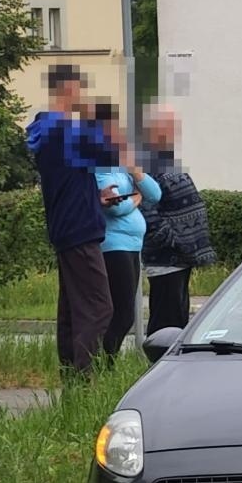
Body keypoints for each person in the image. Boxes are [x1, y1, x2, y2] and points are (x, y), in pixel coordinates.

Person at [25, 65, 118, 377]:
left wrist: (94, 195)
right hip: (80, 230)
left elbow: (70, 179)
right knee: (99, 307)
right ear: (69, 89)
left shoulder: (49, 132)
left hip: (67, 228)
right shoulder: (65, 131)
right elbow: (108, 152)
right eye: (81, 90)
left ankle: (70, 375)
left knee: (72, 308)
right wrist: (92, 117)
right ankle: (83, 376)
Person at [92, 102, 161, 357]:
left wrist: (136, 173)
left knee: (125, 312)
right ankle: (104, 361)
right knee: (121, 312)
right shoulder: (100, 166)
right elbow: (114, 207)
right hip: (114, 245)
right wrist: (135, 199)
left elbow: (155, 194)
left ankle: (105, 360)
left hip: (132, 245)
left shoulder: (123, 167)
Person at [140, 103, 216, 333]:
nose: (173, 131)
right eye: (168, 126)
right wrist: (174, 241)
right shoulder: (147, 163)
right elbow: (147, 211)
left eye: (174, 126)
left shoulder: (165, 159)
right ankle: (159, 356)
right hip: (167, 259)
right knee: (166, 323)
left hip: (180, 259)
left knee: (178, 320)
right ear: (152, 130)